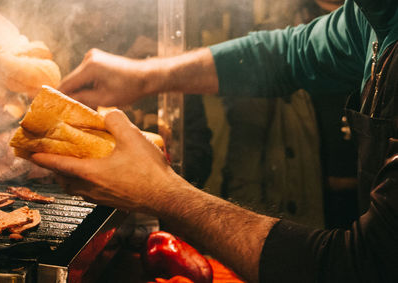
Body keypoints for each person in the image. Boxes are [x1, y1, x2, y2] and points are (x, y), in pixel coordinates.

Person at [30, 0, 398, 282]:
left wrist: (161, 191)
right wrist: (145, 76)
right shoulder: (370, 16)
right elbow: (288, 54)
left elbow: (366, 267)